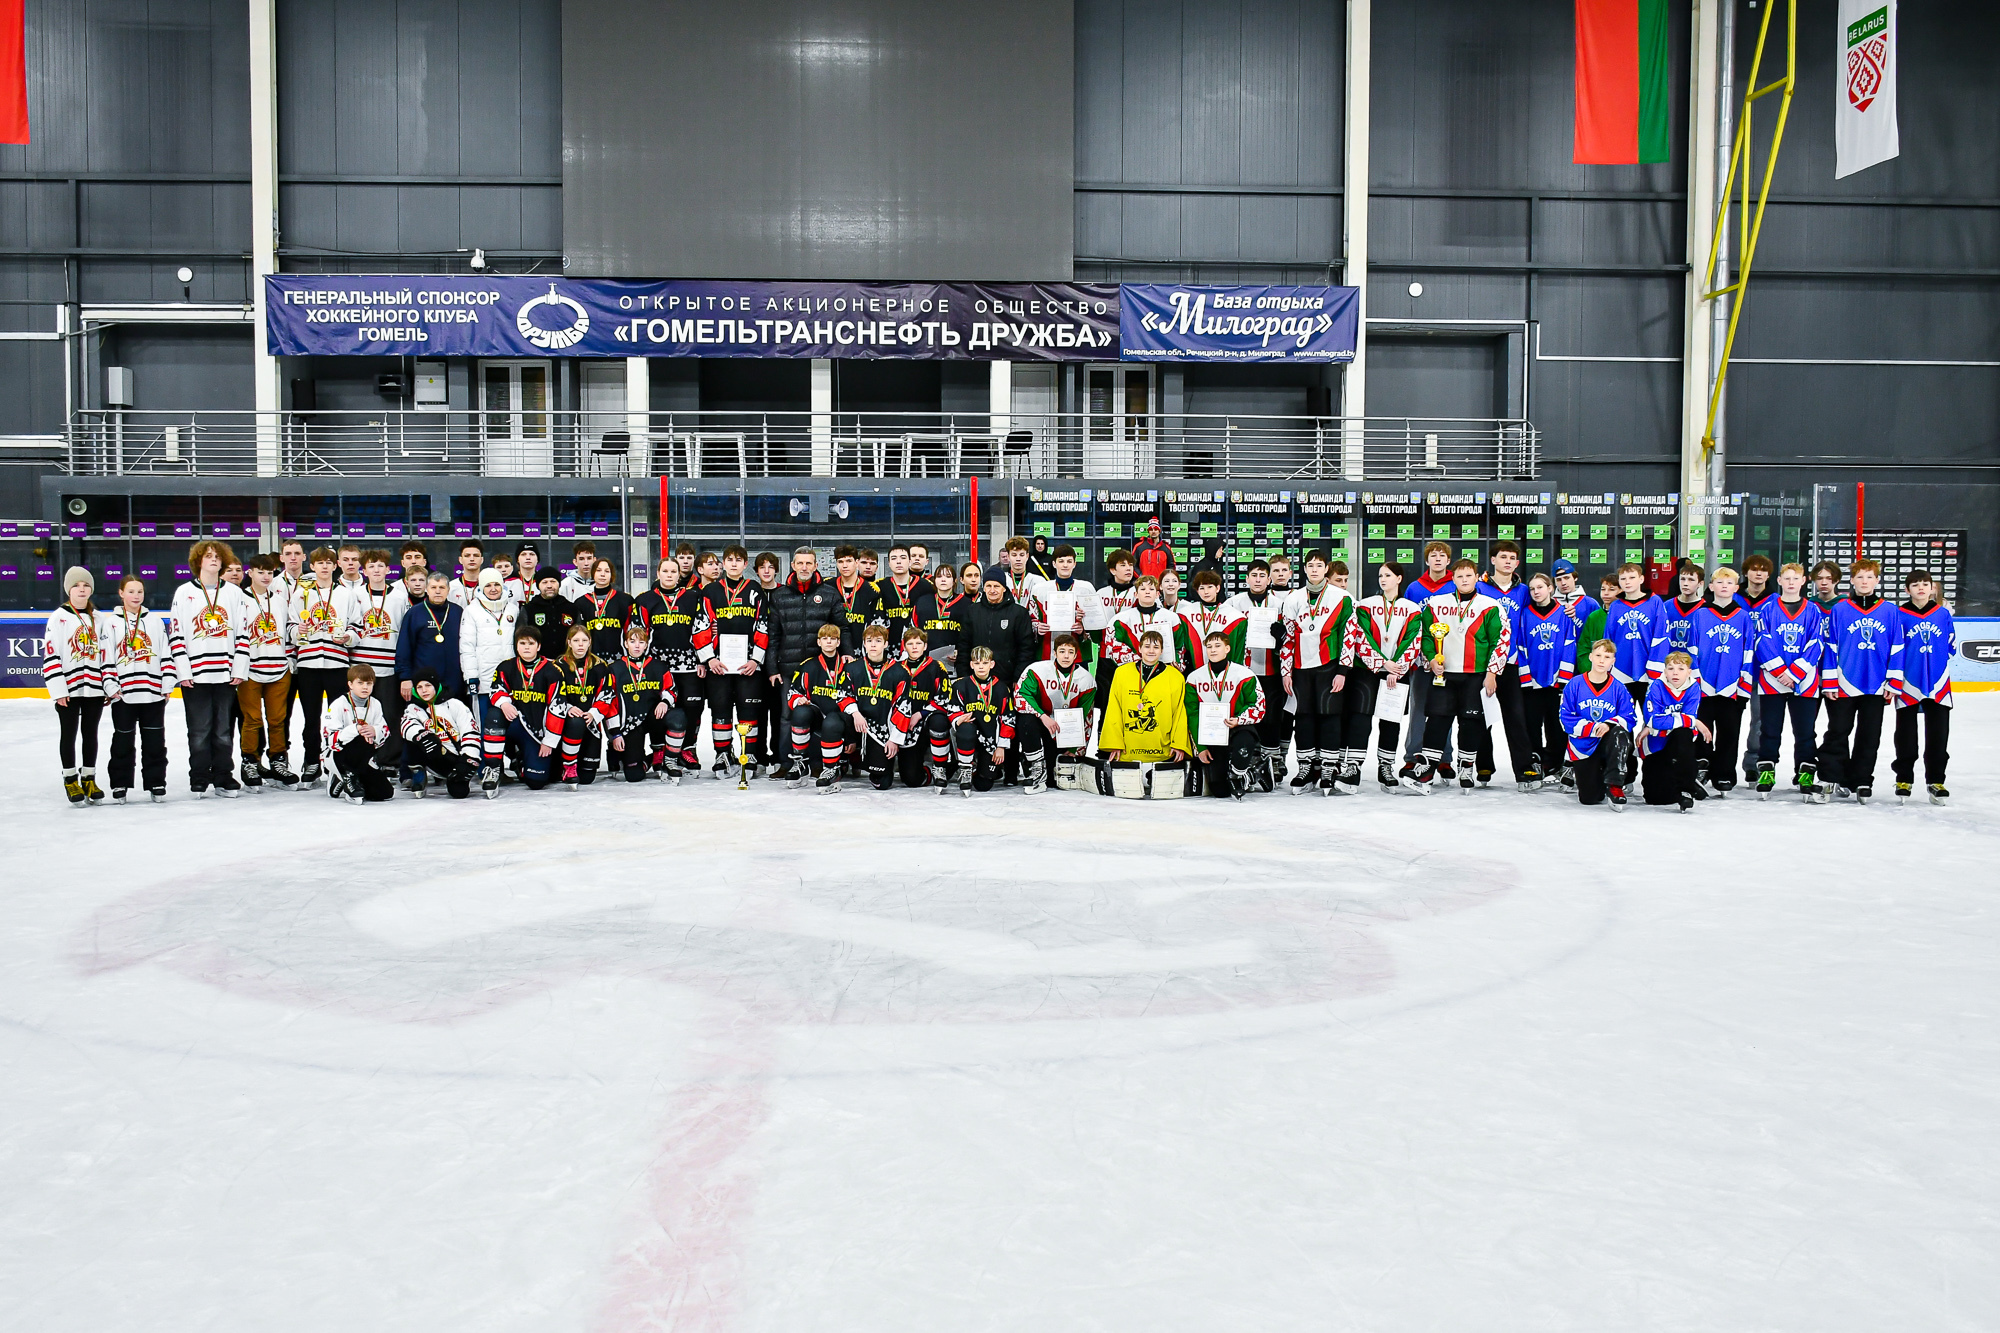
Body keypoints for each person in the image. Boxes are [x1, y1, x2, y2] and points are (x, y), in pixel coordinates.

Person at [1408, 558, 1510, 793]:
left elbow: (1500, 641)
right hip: (1444, 675)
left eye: (1469, 576)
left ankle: (1466, 767)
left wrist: (1492, 673)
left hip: (1476, 675)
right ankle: (1427, 768)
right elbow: (1425, 636)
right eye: (1460, 576)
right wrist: (1431, 659)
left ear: (1477, 578)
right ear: (1452, 579)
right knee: (1437, 719)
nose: (1464, 580)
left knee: (1471, 722)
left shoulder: (1490, 605)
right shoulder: (1436, 603)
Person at [171, 540, 252, 797]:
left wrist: (239, 668)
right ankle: (199, 776)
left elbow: (243, 632)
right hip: (196, 674)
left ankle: (223, 775)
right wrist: (183, 671)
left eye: (217, 556)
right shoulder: (184, 592)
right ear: (198, 561)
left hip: (226, 673)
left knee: (223, 730)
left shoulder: (234, 593)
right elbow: (177, 635)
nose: (214, 559)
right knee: (199, 730)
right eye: (208, 556)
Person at [1818, 559, 1902, 802]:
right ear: (1852, 580)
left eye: (1869, 577)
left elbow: (1897, 647)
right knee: (1838, 730)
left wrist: (1894, 681)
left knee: (1869, 734)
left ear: (1877, 580)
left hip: (1876, 684)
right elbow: (1831, 646)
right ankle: (1831, 776)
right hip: (1844, 682)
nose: (1865, 581)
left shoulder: (1890, 611)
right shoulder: (1840, 610)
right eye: (1860, 577)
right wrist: (1830, 681)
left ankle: (1862, 779)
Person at [1281, 553, 1364, 794]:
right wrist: (1286, 671)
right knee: (1303, 717)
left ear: (1326, 569)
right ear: (1304, 569)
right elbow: (1288, 638)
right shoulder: (1294, 598)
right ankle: (1306, 767)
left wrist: (1343, 671)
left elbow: (1349, 637)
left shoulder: (1343, 598)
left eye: (1319, 565)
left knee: (1330, 715)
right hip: (1300, 668)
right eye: (1310, 565)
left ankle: (1328, 767)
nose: (1315, 569)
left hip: (1330, 665)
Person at [694, 544, 770, 779]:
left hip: (748, 666)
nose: (734, 564)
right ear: (723, 564)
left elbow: (763, 625)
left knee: (749, 710)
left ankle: (749, 754)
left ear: (745, 564)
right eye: (729, 560)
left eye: (739, 560)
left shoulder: (754, 590)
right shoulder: (711, 591)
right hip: (719, 666)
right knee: (721, 710)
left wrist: (756, 660)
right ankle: (722, 754)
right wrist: (709, 658)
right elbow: (701, 625)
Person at [1752, 562, 1826, 802]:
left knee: (1805, 731)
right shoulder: (1767, 609)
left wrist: (1794, 673)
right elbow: (1761, 641)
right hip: (1772, 680)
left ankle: (1805, 773)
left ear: (1804, 581)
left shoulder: (1813, 610)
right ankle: (1767, 771)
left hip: (1804, 680)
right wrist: (1780, 671)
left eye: (1796, 578)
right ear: (1779, 581)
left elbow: (1817, 642)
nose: (1791, 582)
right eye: (1787, 578)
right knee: (1770, 730)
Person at [634, 557, 709, 775]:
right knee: (659, 707)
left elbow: (701, 629)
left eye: (673, 571)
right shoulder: (645, 600)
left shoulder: (693, 597)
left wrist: (702, 659)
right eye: (665, 571)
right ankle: (659, 749)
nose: (669, 575)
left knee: (692, 708)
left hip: (689, 665)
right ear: (657, 573)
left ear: (679, 574)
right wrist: (643, 664)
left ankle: (687, 748)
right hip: (658, 666)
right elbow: (639, 634)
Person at [101, 574, 172, 803]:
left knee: (155, 742)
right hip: (124, 694)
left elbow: (165, 653)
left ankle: (156, 782)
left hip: (152, 692)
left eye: (139, 591)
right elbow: (106, 657)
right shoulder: (111, 623)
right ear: (121, 593)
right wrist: (111, 687)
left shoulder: (155, 621)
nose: (136, 596)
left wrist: (166, 684)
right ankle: (120, 783)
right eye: (131, 591)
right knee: (122, 741)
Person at [1688, 567, 1757, 795]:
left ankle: (1724, 774)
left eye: (1729, 583)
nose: (1724, 586)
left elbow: (1749, 653)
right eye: (1719, 582)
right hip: (1704, 685)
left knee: (1729, 733)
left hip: (1733, 686)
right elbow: (1692, 650)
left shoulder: (1743, 617)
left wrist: (1743, 688)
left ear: (1736, 588)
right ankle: (1702, 767)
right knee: (1702, 731)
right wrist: (1695, 683)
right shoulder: (1700, 615)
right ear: (1711, 586)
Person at [1222, 558, 1291, 784]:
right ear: (1247, 578)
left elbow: (1290, 638)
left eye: (1262, 576)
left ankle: (1273, 760)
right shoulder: (1233, 603)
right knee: (1246, 714)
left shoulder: (1280, 604)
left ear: (1269, 579)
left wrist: (1282, 636)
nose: (1258, 580)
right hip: (1243, 670)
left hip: (1271, 669)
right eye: (1254, 575)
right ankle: (1249, 758)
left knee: (1272, 716)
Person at [1355, 562, 1422, 792]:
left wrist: (1398, 668)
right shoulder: (1365, 605)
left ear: (1399, 579)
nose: (1383, 579)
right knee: (1361, 719)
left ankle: (1386, 766)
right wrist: (1383, 662)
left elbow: (1414, 639)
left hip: (1396, 673)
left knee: (1390, 722)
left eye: (1388, 575)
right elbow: (1361, 637)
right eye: (1380, 575)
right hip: (1368, 671)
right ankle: (1353, 766)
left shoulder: (1411, 608)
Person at [337, 550, 403, 777]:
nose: (376, 570)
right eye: (371, 566)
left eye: (380, 566)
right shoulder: (354, 594)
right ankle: (361, 760)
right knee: (360, 716)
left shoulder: (398, 596)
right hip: (361, 666)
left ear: (388, 569)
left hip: (388, 666)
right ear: (364, 571)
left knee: (390, 715)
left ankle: (389, 760)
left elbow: (401, 632)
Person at [1098, 630, 1189, 795]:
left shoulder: (1176, 677)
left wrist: (1179, 744)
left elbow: (1179, 714)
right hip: (1128, 751)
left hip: (1162, 752)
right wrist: (1114, 743)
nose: (1151, 651)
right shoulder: (1121, 673)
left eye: (1156, 647)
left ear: (1162, 650)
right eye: (1147, 646)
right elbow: (1113, 710)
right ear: (1139, 648)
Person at [45, 566, 107, 805]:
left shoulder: (99, 619)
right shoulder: (58, 617)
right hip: (69, 689)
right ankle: (70, 779)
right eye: (76, 586)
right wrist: (59, 690)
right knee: (69, 733)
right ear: (68, 590)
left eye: (86, 585)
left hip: (94, 687)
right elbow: (51, 655)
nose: (82, 589)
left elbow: (107, 655)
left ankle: (89, 778)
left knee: (90, 733)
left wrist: (107, 685)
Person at [288, 545, 349, 788]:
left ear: (335, 566)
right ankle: (311, 761)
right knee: (311, 718)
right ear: (312, 566)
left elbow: (355, 626)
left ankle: (337, 761)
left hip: (337, 664)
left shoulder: (345, 594)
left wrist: (348, 637)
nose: (324, 566)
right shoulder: (301, 594)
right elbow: (290, 626)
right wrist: (297, 630)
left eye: (328, 562)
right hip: (309, 665)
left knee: (338, 718)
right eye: (320, 563)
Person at [1892, 568, 1953, 805]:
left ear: (1932, 588)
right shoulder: (1899, 615)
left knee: (1938, 733)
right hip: (1907, 681)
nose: (1921, 588)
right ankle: (1903, 778)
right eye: (1915, 584)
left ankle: (1936, 780)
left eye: (1925, 584)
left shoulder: (1942, 614)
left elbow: (1950, 645)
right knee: (1906, 734)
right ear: (1907, 589)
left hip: (1938, 681)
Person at [1515, 572, 1579, 790]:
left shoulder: (1564, 613)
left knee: (1556, 725)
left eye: (1540, 587)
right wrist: (1526, 678)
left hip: (1556, 681)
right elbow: (1521, 646)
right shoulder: (1525, 614)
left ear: (1551, 588)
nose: (1536, 592)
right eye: (1532, 589)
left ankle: (1555, 764)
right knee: (1532, 724)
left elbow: (1570, 645)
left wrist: (1564, 678)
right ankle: (1535, 761)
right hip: (1532, 681)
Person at [1185, 630, 1266, 799]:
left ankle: (1237, 775)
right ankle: (1256, 772)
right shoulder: (1194, 678)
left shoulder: (1244, 674)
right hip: (1212, 734)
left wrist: (1239, 720)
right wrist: (1200, 747)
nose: (1213, 650)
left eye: (1217, 645)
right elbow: (1192, 714)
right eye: (1209, 646)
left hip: (1238, 728)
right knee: (1220, 791)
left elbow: (1259, 705)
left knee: (1243, 745)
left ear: (1227, 649)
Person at [1476, 541, 1531, 788]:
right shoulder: (1479, 587)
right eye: (1503, 557)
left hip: (1511, 662)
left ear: (1517, 563)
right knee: (1481, 717)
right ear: (1493, 560)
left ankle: (1524, 768)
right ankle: (1483, 765)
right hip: (1483, 663)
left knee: (1516, 716)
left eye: (1512, 558)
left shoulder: (1524, 591)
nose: (1507, 561)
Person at [238, 555, 296, 789]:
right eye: (260, 572)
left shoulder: (280, 601)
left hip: (279, 669)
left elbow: (288, 631)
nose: (265, 576)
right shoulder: (239, 599)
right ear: (250, 572)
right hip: (250, 670)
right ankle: (250, 761)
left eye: (270, 573)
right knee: (252, 720)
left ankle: (278, 760)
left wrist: (290, 658)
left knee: (277, 719)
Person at [1012, 633, 1096, 793]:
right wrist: (1043, 716)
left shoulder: (1086, 679)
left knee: (1053, 781)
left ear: (1076, 655)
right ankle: (1036, 766)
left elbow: (1087, 717)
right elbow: (1020, 696)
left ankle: (1044, 765)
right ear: (1054, 653)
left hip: (1063, 731)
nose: (1066, 656)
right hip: (1042, 723)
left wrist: (1075, 749)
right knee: (1025, 720)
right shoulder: (1036, 670)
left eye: (1070, 652)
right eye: (1062, 651)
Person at [1561, 638, 1639, 810]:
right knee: (1589, 798)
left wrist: (1609, 724)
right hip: (1583, 746)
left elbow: (1630, 717)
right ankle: (1590, 773)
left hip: (1608, 743)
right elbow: (1565, 718)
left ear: (1613, 661)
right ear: (1590, 657)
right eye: (1598, 655)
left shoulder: (1619, 688)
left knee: (1619, 733)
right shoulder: (1574, 684)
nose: (1602, 660)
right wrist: (1593, 727)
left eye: (1607, 657)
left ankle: (1615, 784)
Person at [482, 629, 562, 795]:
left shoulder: (552, 670)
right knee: (494, 715)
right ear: (516, 646)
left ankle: (520, 760)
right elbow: (495, 690)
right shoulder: (506, 667)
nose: (526, 647)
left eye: (531, 643)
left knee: (536, 781)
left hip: (536, 733)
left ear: (538, 646)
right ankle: (493, 768)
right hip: (514, 724)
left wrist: (549, 741)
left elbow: (557, 706)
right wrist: (504, 703)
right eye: (522, 643)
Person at [1399, 542, 1457, 769]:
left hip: (1448, 657)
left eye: (1442, 555)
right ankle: (1412, 756)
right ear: (1426, 560)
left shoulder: (1455, 585)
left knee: (1445, 709)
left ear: (1448, 560)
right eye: (1433, 555)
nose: (1438, 559)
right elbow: (1407, 622)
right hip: (1419, 658)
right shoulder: (1414, 588)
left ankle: (1444, 758)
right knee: (1418, 709)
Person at [608, 621, 685, 783]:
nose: (637, 646)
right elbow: (610, 702)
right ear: (625, 644)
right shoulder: (615, 669)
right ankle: (650, 759)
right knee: (634, 776)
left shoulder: (658, 666)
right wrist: (615, 733)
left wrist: (665, 701)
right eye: (632, 641)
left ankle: (669, 760)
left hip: (653, 717)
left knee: (678, 717)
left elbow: (672, 689)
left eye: (641, 642)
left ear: (646, 645)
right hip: (631, 724)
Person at [882, 627, 955, 788]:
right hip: (904, 724)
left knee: (939, 722)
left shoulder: (936, 667)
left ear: (925, 646)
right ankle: (925, 771)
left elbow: (945, 697)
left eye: (918, 643)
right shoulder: (895, 668)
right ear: (904, 646)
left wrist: (920, 714)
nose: (914, 647)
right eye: (910, 643)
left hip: (926, 719)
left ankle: (941, 767)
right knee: (911, 779)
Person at [1637, 651, 1711, 812]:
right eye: (1671, 668)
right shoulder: (1655, 686)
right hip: (1657, 743)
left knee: (1683, 733)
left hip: (1678, 743)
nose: (1675, 673)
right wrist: (1694, 721)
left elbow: (1685, 724)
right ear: (1665, 671)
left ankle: (1686, 787)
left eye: (1681, 669)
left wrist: (1678, 722)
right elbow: (1653, 720)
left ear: (1689, 672)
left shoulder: (1694, 688)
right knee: (1656, 799)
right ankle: (1688, 777)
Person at [938, 645, 1015, 795]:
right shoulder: (960, 685)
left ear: (992, 664)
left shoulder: (1001, 689)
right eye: (977, 663)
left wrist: (1001, 746)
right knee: (966, 728)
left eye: (985, 663)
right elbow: (952, 709)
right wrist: (958, 719)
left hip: (989, 741)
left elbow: (1008, 719)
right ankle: (964, 767)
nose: (981, 667)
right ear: (971, 664)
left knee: (983, 785)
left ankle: (978, 769)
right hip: (968, 737)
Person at [836, 625, 905, 792]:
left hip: (881, 730)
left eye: (878, 641)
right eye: (869, 641)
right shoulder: (852, 668)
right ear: (864, 644)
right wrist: (855, 713)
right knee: (834, 721)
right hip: (857, 722)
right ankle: (844, 759)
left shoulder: (899, 672)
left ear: (886, 644)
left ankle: (867, 759)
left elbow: (902, 707)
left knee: (882, 783)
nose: (873, 645)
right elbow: (842, 695)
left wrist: (894, 739)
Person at [548, 624, 618, 788]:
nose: (580, 644)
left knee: (587, 778)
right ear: (569, 642)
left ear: (590, 642)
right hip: (567, 723)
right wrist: (567, 707)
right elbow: (552, 694)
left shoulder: (600, 666)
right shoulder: (558, 665)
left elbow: (607, 694)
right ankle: (568, 765)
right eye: (576, 640)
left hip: (591, 724)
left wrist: (593, 713)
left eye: (584, 640)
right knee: (553, 775)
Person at [785, 624, 852, 788]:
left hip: (841, 719)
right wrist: (799, 699)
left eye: (833, 639)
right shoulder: (808, 665)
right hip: (818, 715)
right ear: (818, 642)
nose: (828, 642)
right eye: (825, 638)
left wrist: (852, 737)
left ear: (838, 642)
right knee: (800, 713)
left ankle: (831, 768)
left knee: (832, 721)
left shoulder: (850, 666)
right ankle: (801, 763)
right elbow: (793, 692)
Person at [398, 667, 480, 798]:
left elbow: (470, 731)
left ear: (436, 685)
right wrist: (424, 736)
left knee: (459, 792)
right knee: (411, 737)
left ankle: (455, 776)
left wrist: (469, 759)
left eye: (428, 685)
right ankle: (418, 771)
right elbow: (406, 725)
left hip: (454, 758)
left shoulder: (454, 704)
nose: (424, 690)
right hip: (430, 755)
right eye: (419, 687)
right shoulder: (413, 708)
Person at [459, 568, 520, 740]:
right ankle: (483, 758)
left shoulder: (513, 609)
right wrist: (471, 677)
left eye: (496, 585)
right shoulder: (472, 611)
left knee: (512, 724)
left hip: (510, 679)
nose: (493, 589)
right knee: (485, 726)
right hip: (484, 681)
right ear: (481, 587)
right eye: (488, 585)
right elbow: (467, 647)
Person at [322, 664, 394, 804]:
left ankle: (343, 779)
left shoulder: (375, 704)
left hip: (364, 757)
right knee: (361, 738)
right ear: (350, 684)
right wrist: (355, 730)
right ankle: (344, 774)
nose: (365, 687)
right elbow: (330, 741)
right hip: (339, 755)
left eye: (369, 683)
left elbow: (385, 731)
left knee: (384, 793)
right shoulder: (338, 704)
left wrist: (375, 731)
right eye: (360, 683)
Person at [395, 570, 465, 704]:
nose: (437, 591)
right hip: (424, 683)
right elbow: (404, 647)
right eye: (433, 587)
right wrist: (405, 677)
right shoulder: (414, 613)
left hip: (454, 682)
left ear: (448, 590)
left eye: (442, 587)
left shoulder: (458, 612)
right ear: (426, 589)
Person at [962, 566, 1037, 689]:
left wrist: (1018, 677)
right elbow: (964, 646)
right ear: (983, 588)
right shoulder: (972, 612)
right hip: (976, 679)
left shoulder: (1019, 613)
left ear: (1004, 588)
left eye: (996, 586)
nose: (992, 590)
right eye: (988, 586)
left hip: (1007, 679)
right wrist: (964, 675)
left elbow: (1026, 649)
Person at [1738, 554, 1777, 786]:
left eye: (1763, 569)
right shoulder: (1733, 597)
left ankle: (1754, 764)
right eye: (1754, 569)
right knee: (1726, 721)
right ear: (1746, 573)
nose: (1759, 573)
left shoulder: (1775, 601)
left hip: (1763, 670)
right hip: (1735, 670)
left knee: (1760, 720)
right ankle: (1714, 765)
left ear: (1769, 574)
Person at [1605, 562, 1669, 700]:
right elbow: (1608, 639)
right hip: (1621, 668)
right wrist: (1608, 665)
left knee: (1651, 711)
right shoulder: (1615, 606)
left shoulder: (1655, 602)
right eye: (1623, 578)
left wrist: (1655, 666)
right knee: (1622, 712)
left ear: (1641, 579)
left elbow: (1662, 636)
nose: (1627, 582)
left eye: (1632, 577)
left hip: (1648, 670)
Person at [1026, 544, 1100, 660]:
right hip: (1047, 652)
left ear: (1074, 564)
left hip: (1078, 654)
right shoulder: (1039, 589)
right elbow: (1031, 619)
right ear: (1054, 564)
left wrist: (1083, 630)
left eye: (1069, 561)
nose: (1065, 565)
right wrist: (1037, 628)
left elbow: (1096, 623)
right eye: (1061, 561)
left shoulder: (1086, 589)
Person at [1109, 575, 1196, 673]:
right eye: (1143, 589)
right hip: (1134, 671)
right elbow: (1115, 646)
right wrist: (1137, 662)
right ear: (1136, 594)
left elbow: (1179, 645)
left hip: (1164, 669)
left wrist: (1177, 663)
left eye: (1151, 589)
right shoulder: (1122, 619)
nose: (1147, 592)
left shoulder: (1171, 617)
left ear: (1157, 594)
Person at [575, 558, 635, 659]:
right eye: (598, 570)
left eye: (607, 571)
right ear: (593, 573)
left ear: (612, 575)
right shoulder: (581, 602)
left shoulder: (625, 600)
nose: (602, 574)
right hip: (591, 659)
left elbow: (630, 630)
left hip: (618, 657)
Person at [913, 564, 969, 674]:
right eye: (939, 576)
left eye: (948, 576)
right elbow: (914, 631)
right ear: (934, 580)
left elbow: (970, 635)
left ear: (955, 580)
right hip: (925, 663)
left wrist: (961, 652)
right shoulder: (922, 602)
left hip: (955, 666)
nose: (943, 580)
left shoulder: (966, 604)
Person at [520, 567, 581, 656]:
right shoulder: (528, 609)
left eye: (553, 581)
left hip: (568, 660)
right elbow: (521, 637)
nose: (549, 585)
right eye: (544, 582)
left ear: (559, 584)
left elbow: (580, 635)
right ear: (538, 585)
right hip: (538, 661)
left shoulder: (572, 608)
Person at [1131, 517, 1174, 582]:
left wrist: (1166, 579)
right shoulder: (1139, 546)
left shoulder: (1166, 548)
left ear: (1159, 531)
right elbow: (1133, 564)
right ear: (1148, 531)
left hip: (1160, 584)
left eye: (1156, 529)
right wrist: (1140, 576)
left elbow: (1171, 566)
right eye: (1151, 529)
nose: (1153, 531)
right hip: (1144, 584)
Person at [445, 539, 484, 607]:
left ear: (482, 559)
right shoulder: (451, 587)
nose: (472, 559)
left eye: (476, 555)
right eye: (467, 555)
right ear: (460, 560)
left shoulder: (489, 587)